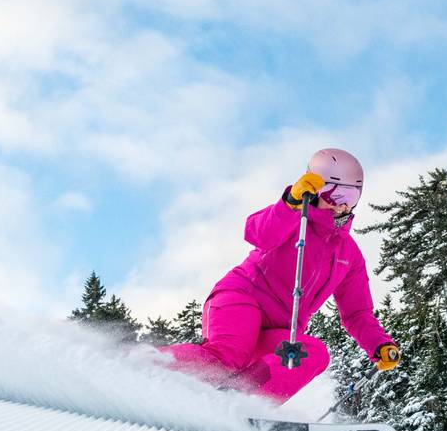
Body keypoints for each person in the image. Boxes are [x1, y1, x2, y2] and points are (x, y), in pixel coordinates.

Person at [160, 148, 401, 404]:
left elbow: (357, 313)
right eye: (334, 193)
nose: (342, 203)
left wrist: (379, 345)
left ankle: (241, 403)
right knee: (228, 358)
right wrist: (290, 203)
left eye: (352, 196)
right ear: (315, 188)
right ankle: (144, 366)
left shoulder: (349, 254)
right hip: (242, 299)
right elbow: (257, 233)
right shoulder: (294, 217)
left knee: (310, 353)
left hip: (282, 327)